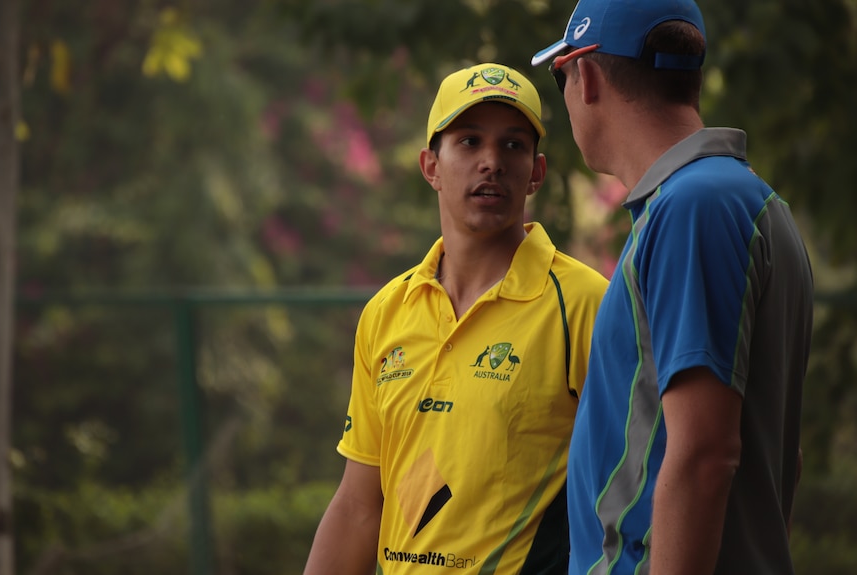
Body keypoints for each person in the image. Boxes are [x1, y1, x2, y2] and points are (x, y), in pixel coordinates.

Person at [530, 0, 814, 574]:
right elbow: (785, 458)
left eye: (559, 74)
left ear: (585, 75)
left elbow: (706, 454)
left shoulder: (696, 207)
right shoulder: (731, 200)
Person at [303, 62, 608, 574]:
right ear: (431, 166)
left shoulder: (586, 304)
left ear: (536, 172)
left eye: (513, 145)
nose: (492, 162)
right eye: (469, 141)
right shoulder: (386, 311)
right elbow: (360, 506)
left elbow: (635, 487)